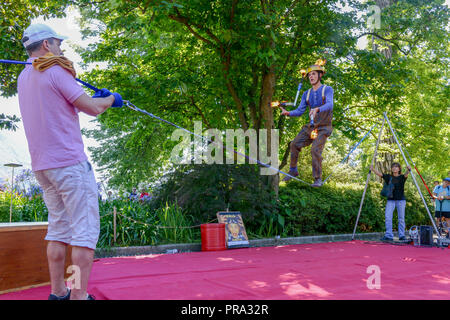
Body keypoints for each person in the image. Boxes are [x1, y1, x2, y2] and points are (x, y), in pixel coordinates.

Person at [17, 23, 123, 300]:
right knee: (84, 234)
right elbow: (92, 108)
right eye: (58, 43)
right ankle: (78, 295)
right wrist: (111, 99)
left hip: (43, 166)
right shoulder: (54, 70)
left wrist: (95, 98)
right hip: (69, 165)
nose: (61, 48)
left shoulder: (25, 76)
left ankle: (58, 292)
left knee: (58, 229)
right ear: (46, 45)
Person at [280, 59, 333, 187]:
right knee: (294, 144)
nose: (311, 77)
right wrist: (288, 113)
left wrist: (317, 109)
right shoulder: (306, 94)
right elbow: (299, 110)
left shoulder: (327, 89)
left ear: (320, 75)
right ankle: (293, 170)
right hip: (311, 127)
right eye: (309, 75)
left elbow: (330, 104)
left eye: (314, 74)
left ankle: (317, 178)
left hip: (324, 127)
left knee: (315, 150)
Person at [371, 163, 411, 241]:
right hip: (391, 200)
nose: (394, 168)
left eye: (396, 167)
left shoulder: (402, 177)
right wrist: (372, 169)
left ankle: (402, 235)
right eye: (393, 167)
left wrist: (408, 169)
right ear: (391, 169)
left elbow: (406, 174)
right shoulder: (389, 177)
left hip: (401, 200)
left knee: (401, 218)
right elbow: (380, 174)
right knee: (388, 217)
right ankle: (389, 235)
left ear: (399, 169)